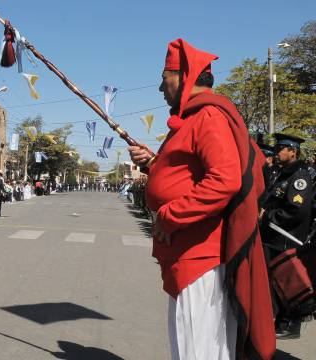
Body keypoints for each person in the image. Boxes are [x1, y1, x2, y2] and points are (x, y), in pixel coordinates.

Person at [128, 39, 275, 359]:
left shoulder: (209, 115)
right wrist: (153, 163)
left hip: (201, 260)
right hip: (187, 256)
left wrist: (169, 216)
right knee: (187, 348)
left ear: (184, 75)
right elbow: (187, 174)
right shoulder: (194, 117)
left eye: (164, 76)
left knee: (200, 350)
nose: (159, 87)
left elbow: (224, 180)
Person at [260, 133, 313, 340]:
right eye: (278, 146)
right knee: (273, 282)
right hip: (272, 236)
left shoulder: (299, 177)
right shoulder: (281, 174)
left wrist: (268, 216)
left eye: (282, 147)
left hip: (284, 237)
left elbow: (296, 210)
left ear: (293, 152)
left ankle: (289, 325)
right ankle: (279, 322)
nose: (277, 150)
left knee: (286, 282)